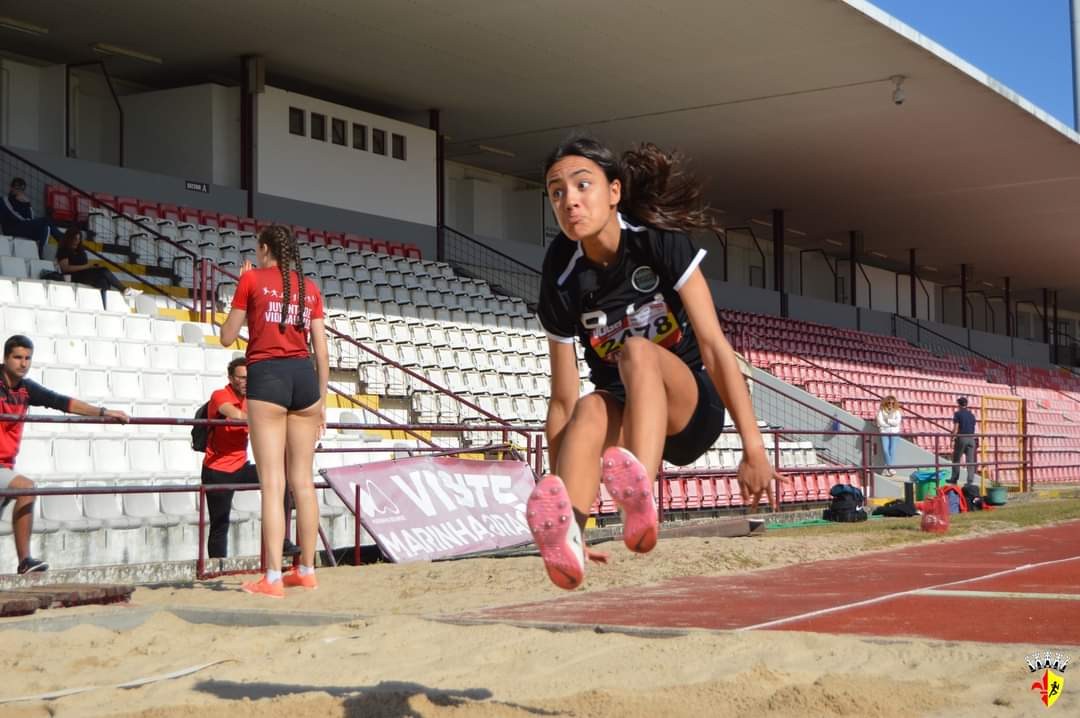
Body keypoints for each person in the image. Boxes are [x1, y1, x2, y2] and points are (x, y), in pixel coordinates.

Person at [530, 136, 783, 590]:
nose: (569, 201)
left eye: (582, 185)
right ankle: (569, 541)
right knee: (590, 407)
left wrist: (754, 447)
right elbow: (563, 401)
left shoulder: (655, 239)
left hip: (690, 410)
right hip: (629, 418)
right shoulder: (560, 272)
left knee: (639, 351)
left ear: (614, 191)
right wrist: (563, 499)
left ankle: (641, 493)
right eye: (557, 192)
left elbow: (713, 346)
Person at [220, 225, 328, 598]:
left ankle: (272, 577)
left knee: (273, 483)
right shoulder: (310, 288)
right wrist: (324, 400)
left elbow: (227, 336)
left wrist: (243, 283)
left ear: (264, 249)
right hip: (305, 379)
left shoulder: (251, 279)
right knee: (303, 482)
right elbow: (322, 350)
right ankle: (307, 570)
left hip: (268, 378)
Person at [0, 334, 130, 574]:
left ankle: (25, 562)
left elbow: (63, 402)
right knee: (26, 488)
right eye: (17, 357)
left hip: (4, 467)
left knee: (24, 489)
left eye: (28, 358)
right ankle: (25, 561)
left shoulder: (26, 390)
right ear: (5, 358)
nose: (23, 363)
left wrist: (103, 412)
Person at [201, 356, 299, 559]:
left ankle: (281, 541)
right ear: (231, 378)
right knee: (220, 523)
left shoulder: (253, 399)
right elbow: (233, 413)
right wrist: (262, 419)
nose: (247, 381)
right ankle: (217, 567)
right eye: (242, 377)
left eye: (249, 377)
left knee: (278, 481)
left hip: (240, 465)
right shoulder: (220, 395)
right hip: (217, 469)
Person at [55, 227, 140, 308]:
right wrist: (87, 266)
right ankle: (124, 289)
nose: (76, 242)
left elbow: (84, 265)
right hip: (72, 276)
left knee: (103, 281)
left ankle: (103, 307)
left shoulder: (80, 250)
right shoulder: (64, 250)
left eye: (78, 239)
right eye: (74, 239)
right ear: (68, 239)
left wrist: (89, 267)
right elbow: (65, 268)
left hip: (84, 273)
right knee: (103, 270)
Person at [0, 178, 64, 252]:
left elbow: (31, 217)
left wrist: (27, 204)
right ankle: (61, 238)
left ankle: (40, 253)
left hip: (23, 226)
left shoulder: (22, 201)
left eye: (21, 189)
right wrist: (27, 222)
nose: (18, 191)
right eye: (16, 188)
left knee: (45, 227)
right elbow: (13, 214)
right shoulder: (4, 200)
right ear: (11, 187)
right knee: (45, 220)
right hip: (11, 228)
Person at [951, 396, 978, 485]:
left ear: (959, 404)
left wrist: (952, 438)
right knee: (970, 461)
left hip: (962, 438)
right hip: (971, 438)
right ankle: (970, 481)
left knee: (956, 459)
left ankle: (954, 478)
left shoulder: (958, 414)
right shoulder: (972, 415)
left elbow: (956, 428)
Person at [875, 395, 902, 476]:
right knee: (885, 450)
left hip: (894, 433)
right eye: (889, 402)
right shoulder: (881, 411)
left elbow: (897, 422)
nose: (891, 404)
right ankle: (890, 468)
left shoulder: (897, 411)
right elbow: (880, 422)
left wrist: (888, 420)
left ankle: (888, 469)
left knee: (892, 450)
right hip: (884, 432)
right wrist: (890, 424)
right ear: (886, 403)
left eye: (892, 403)